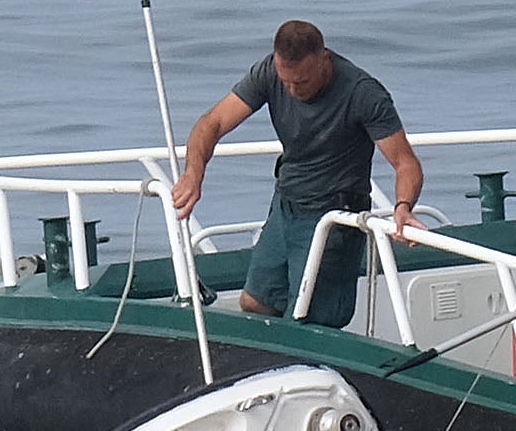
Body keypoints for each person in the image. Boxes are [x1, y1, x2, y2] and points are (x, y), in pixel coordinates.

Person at [168, 20, 421, 328]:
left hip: (332, 218)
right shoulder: (269, 72)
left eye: (300, 82)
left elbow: (405, 163)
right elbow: (213, 122)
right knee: (255, 302)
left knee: (306, 321)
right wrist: (194, 173)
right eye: (285, 81)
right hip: (286, 205)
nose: (291, 89)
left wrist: (403, 206)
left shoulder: (363, 93)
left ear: (323, 59)